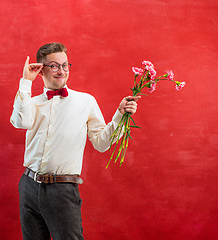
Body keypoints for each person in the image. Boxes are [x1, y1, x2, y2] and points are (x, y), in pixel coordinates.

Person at [10, 42, 139, 240]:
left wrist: (120, 116)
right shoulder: (30, 102)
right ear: (41, 70)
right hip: (28, 185)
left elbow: (101, 143)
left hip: (62, 189)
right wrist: (25, 82)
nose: (61, 71)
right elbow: (21, 122)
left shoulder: (85, 101)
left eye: (65, 65)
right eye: (54, 65)